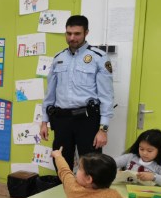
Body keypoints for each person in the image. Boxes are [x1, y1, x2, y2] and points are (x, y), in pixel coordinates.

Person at [40, 15, 114, 171]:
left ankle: (88, 189)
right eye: (69, 33)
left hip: (87, 120)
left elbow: (106, 96)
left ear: (86, 33)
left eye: (77, 34)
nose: (72, 38)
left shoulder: (98, 57)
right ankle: (65, 187)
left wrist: (103, 129)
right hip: (62, 119)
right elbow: (50, 93)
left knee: (91, 166)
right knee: (60, 162)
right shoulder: (58, 58)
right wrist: (44, 121)